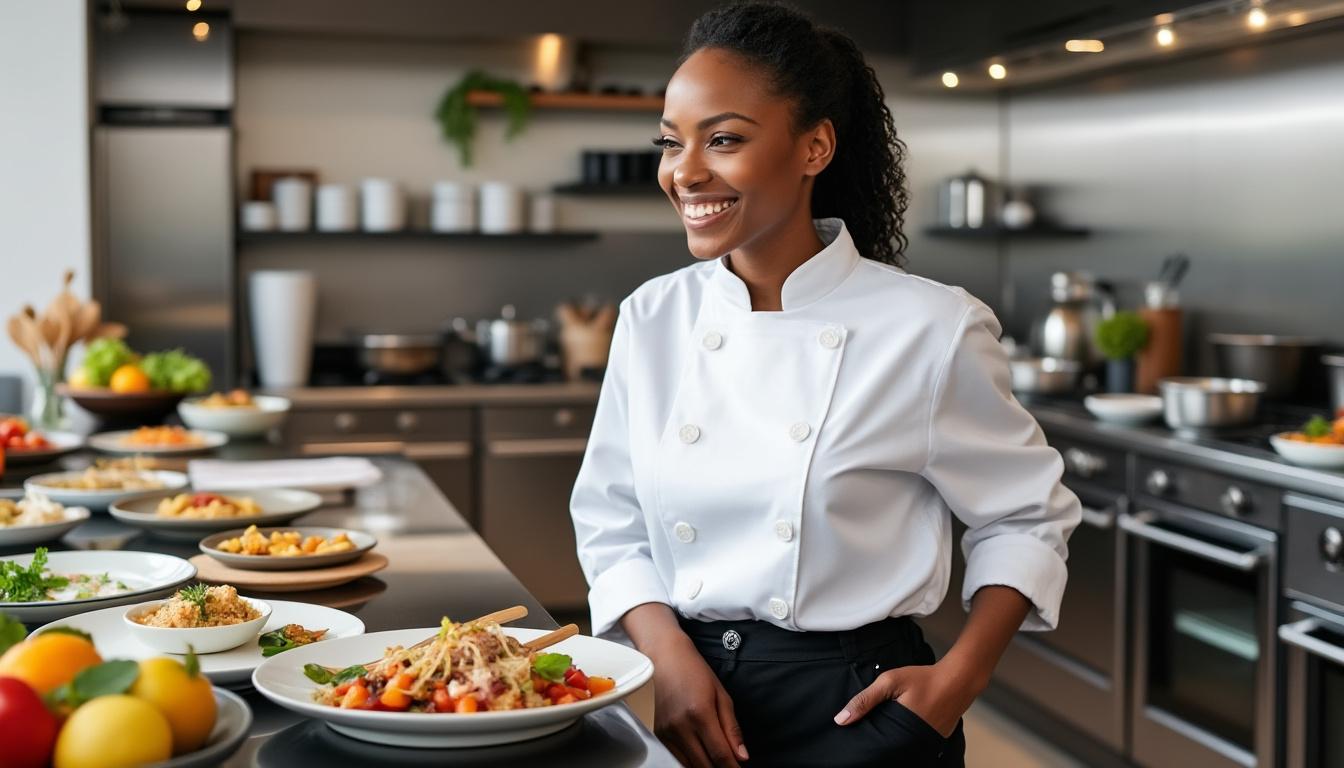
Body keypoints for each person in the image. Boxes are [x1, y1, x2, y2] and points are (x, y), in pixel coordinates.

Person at [569, 3, 1081, 766]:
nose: (686, 171)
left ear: (814, 147)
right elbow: (611, 520)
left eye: (725, 139)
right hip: (690, 699)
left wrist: (956, 683)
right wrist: (668, 658)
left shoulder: (929, 327)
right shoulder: (653, 316)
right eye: (672, 143)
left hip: (862, 713)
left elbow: (1026, 519)